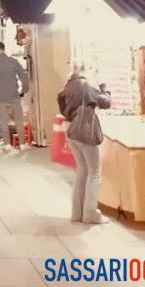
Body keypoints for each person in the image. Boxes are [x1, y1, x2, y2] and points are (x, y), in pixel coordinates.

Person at [58, 65, 111, 224]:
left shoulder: (66, 87)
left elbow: (62, 110)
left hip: (70, 128)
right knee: (94, 171)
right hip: (85, 129)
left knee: (82, 170)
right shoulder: (86, 85)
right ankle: (90, 212)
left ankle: (76, 213)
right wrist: (105, 89)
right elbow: (106, 103)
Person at [0, 42, 29, 150]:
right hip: (14, 95)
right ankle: (22, 144)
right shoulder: (13, 62)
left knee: (3, 121)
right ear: (3, 49)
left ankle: (7, 144)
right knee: (19, 120)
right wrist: (24, 90)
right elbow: (23, 77)